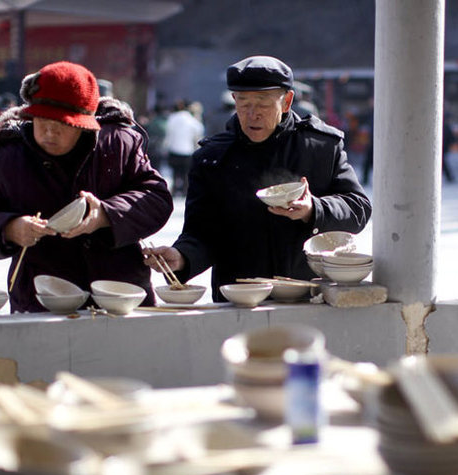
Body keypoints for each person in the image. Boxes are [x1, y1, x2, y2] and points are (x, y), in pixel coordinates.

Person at [0, 61, 174, 313]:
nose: (48, 133)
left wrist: (105, 215)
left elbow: (156, 198)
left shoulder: (117, 143)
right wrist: (9, 229)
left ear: (84, 123)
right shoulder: (5, 158)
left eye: (61, 125)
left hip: (121, 297)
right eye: (41, 120)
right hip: (42, 299)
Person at [145, 55, 371, 301]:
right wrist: (182, 256)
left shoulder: (319, 148)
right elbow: (202, 231)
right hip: (241, 300)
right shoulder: (213, 158)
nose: (252, 114)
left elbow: (358, 208)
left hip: (310, 296)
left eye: (262, 103)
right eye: (243, 103)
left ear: (286, 102)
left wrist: (313, 209)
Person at [164, 100, 204, 197]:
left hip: (174, 150)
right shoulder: (192, 120)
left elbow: (168, 134)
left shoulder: (172, 118)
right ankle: (185, 191)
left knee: (175, 173)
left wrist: (166, 147)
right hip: (187, 150)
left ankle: (174, 190)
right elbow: (198, 133)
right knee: (186, 173)